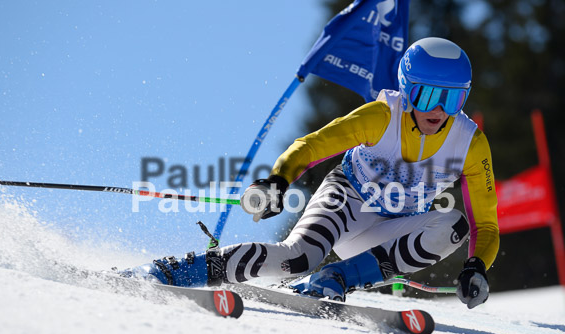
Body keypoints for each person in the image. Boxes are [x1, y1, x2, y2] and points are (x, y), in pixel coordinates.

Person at [130, 37, 499, 310]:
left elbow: (488, 225)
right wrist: (277, 181)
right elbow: (310, 146)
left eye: (452, 98)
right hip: (347, 200)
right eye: (428, 95)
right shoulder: (382, 116)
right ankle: (173, 270)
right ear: (407, 90)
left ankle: (334, 279)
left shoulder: (470, 143)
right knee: (297, 256)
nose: (438, 110)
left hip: (390, 231)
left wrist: (476, 266)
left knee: (454, 224)